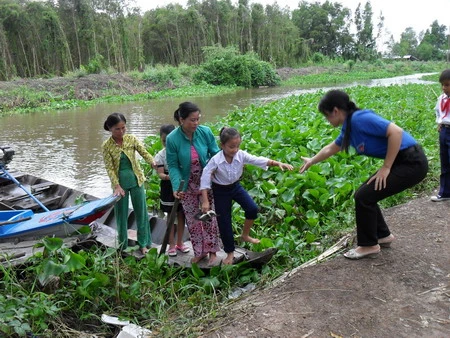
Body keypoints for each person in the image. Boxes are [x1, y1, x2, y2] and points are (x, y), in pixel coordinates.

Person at [300, 90, 428, 260]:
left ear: (336, 111)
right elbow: (331, 148)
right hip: (403, 161)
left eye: (327, 116)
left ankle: (369, 246)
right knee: (365, 193)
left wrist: (386, 167)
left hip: (412, 161)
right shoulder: (349, 128)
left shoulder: (360, 118)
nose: (327, 120)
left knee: (364, 197)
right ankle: (383, 236)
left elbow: (396, 132)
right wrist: (312, 161)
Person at [200, 127, 294, 265]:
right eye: (232, 147)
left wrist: (277, 163)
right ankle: (230, 252)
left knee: (252, 209)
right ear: (222, 145)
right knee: (224, 221)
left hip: (235, 187)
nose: (235, 149)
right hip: (220, 191)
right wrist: (205, 201)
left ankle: (245, 235)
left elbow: (257, 160)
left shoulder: (241, 155)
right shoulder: (216, 160)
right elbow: (205, 178)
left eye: (238, 146)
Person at [166, 102, 221, 264]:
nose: (196, 123)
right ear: (181, 120)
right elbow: (174, 165)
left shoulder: (205, 132)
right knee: (193, 220)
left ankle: (212, 251)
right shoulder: (172, 139)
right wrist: (177, 187)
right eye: (192, 120)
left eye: (198, 119)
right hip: (186, 184)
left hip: (206, 183)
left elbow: (215, 153)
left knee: (209, 216)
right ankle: (200, 251)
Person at [102, 112, 155, 255]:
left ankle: (143, 244)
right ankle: (123, 244)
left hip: (136, 180)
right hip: (120, 185)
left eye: (123, 128)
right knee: (121, 214)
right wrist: (117, 186)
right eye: (117, 129)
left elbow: (144, 152)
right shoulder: (107, 146)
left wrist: (153, 162)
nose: (121, 132)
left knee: (141, 213)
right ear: (110, 129)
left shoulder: (131, 139)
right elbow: (110, 168)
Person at [154, 124, 188, 256]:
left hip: (181, 186)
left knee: (181, 214)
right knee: (170, 215)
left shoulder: (181, 152)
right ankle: (171, 244)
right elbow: (161, 174)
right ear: (161, 140)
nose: (167, 144)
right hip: (168, 188)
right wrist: (172, 177)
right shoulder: (160, 155)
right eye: (164, 141)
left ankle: (180, 242)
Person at [430, 69, 450, 202]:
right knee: (445, 162)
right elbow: (438, 111)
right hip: (444, 131)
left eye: (447, 85)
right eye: (442, 85)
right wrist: (439, 122)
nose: (444, 88)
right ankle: (445, 193)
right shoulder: (441, 98)